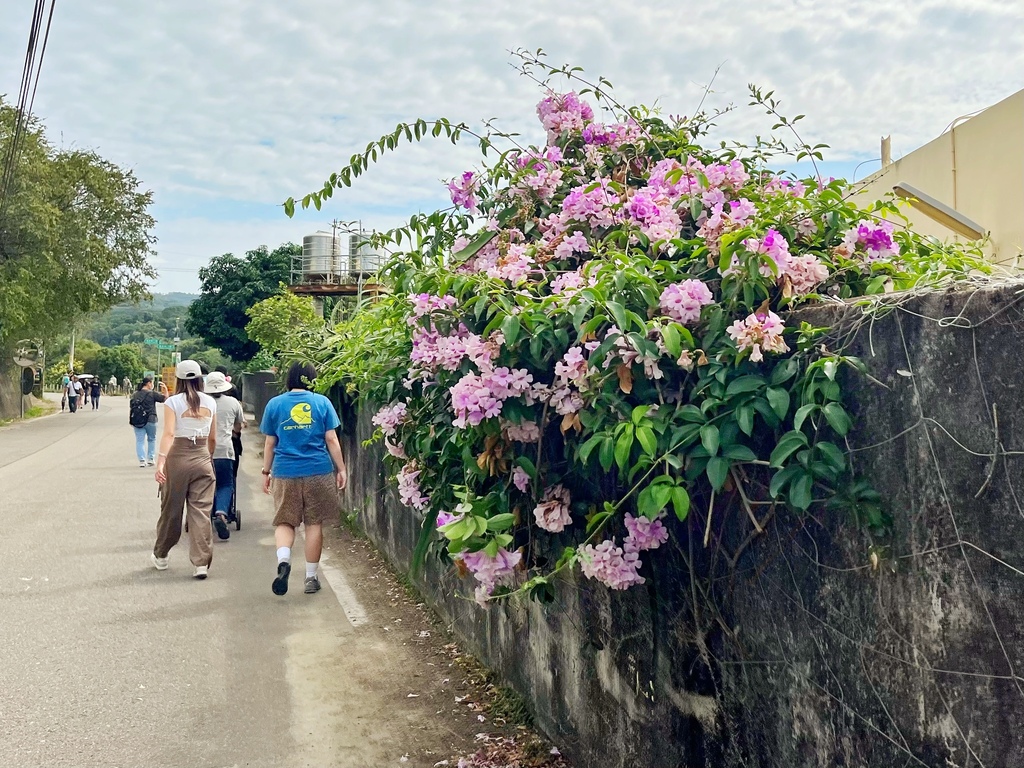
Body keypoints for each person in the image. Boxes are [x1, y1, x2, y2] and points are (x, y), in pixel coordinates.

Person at [261, 361, 347, 596]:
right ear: (311, 379)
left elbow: (270, 443)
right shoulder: (322, 402)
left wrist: (266, 472)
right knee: (314, 523)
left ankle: (284, 560)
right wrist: (341, 469)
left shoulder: (275, 404)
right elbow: (331, 438)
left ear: (289, 379)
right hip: (317, 470)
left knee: (285, 521)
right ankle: (311, 578)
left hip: (285, 471)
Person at [152, 360, 217, 579]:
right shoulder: (210, 401)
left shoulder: (173, 402)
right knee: (200, 512)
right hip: (202, 456)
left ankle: (161, 555)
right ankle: (201, 563)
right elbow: (213, 438)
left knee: (171, 508)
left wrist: (161, 462)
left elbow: (169, 434)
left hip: (177, 457)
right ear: (200, 378)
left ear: (178, 380)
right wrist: (208, 457)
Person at [205, 371, 244, 541]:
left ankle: (202, 516)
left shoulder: (200, 402)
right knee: (226, 484)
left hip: (203, 452)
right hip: (225, 450)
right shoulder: (233, 402)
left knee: (205, 484)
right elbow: (238, 427)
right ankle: (221, 513)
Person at [130, 376, 169, 467]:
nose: (152, 385)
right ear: (148, 384)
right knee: (151, 439)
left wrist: (132, 420)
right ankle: (151, 459)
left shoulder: (135, 394)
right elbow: (165, 399)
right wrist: (165, 390)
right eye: (152, 383)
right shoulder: (152, 394)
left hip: (138, 420)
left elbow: (132, 407)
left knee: (140, 441)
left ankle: (142, 460)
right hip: (151, 419)